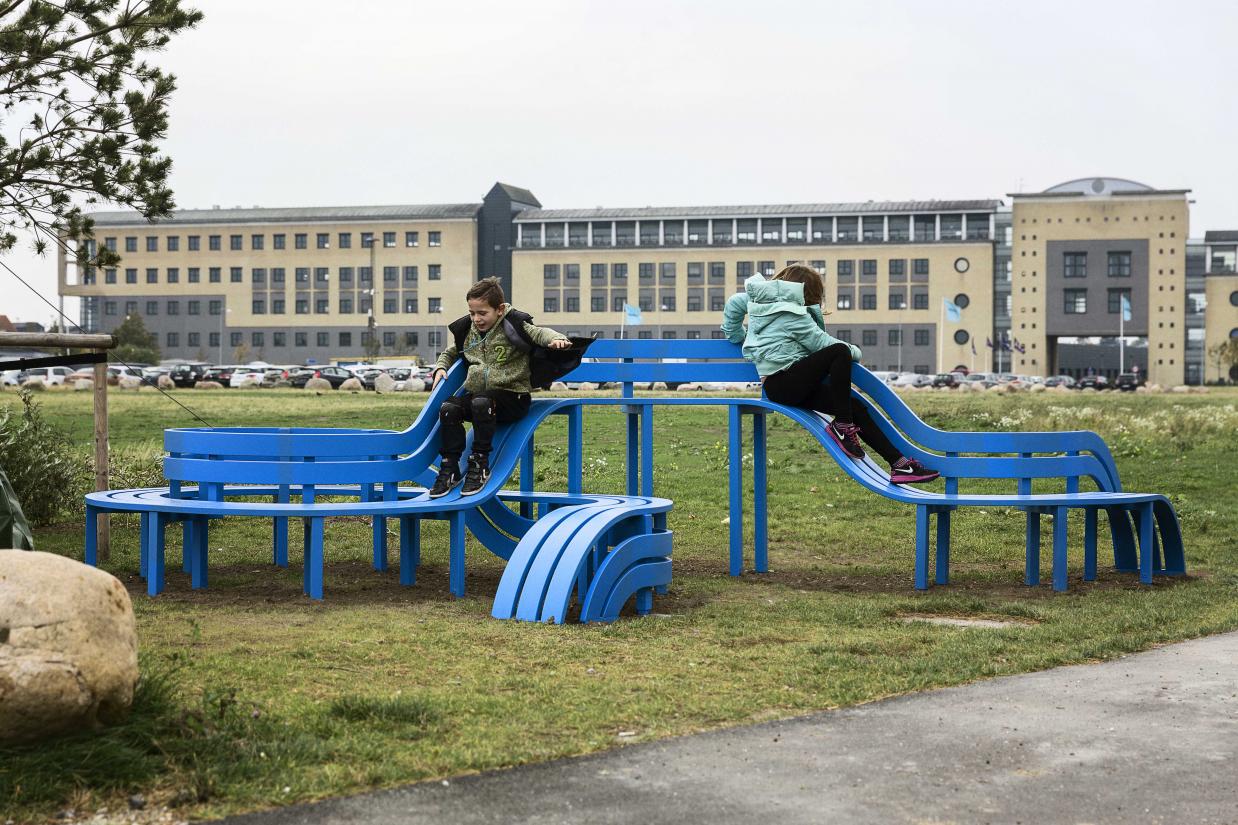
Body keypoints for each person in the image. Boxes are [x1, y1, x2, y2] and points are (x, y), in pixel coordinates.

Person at [721, 264, 938, 484]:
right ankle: (842, 426)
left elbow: (733, 305)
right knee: (840, 352)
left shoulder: (755, 300)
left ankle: (899, 465)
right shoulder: (794, 315)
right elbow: (823, 344)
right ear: (808, 294)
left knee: (855, 408)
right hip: (785, 383)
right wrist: (855, 351)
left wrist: (742, 336)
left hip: (788, 384)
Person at [428, 277, 571, 497]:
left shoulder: (512, 324)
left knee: (482, 401)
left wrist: (558, 340)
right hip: (481, 400)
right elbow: (451, 352)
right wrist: (440, 367)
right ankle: (450, 467)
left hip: (514, 398)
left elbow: (540, 333)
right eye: (472, 313)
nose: (476, 319)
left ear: (500, 309)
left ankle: (479, 464)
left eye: (482, 313)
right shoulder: (469, 332)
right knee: (449, 408)